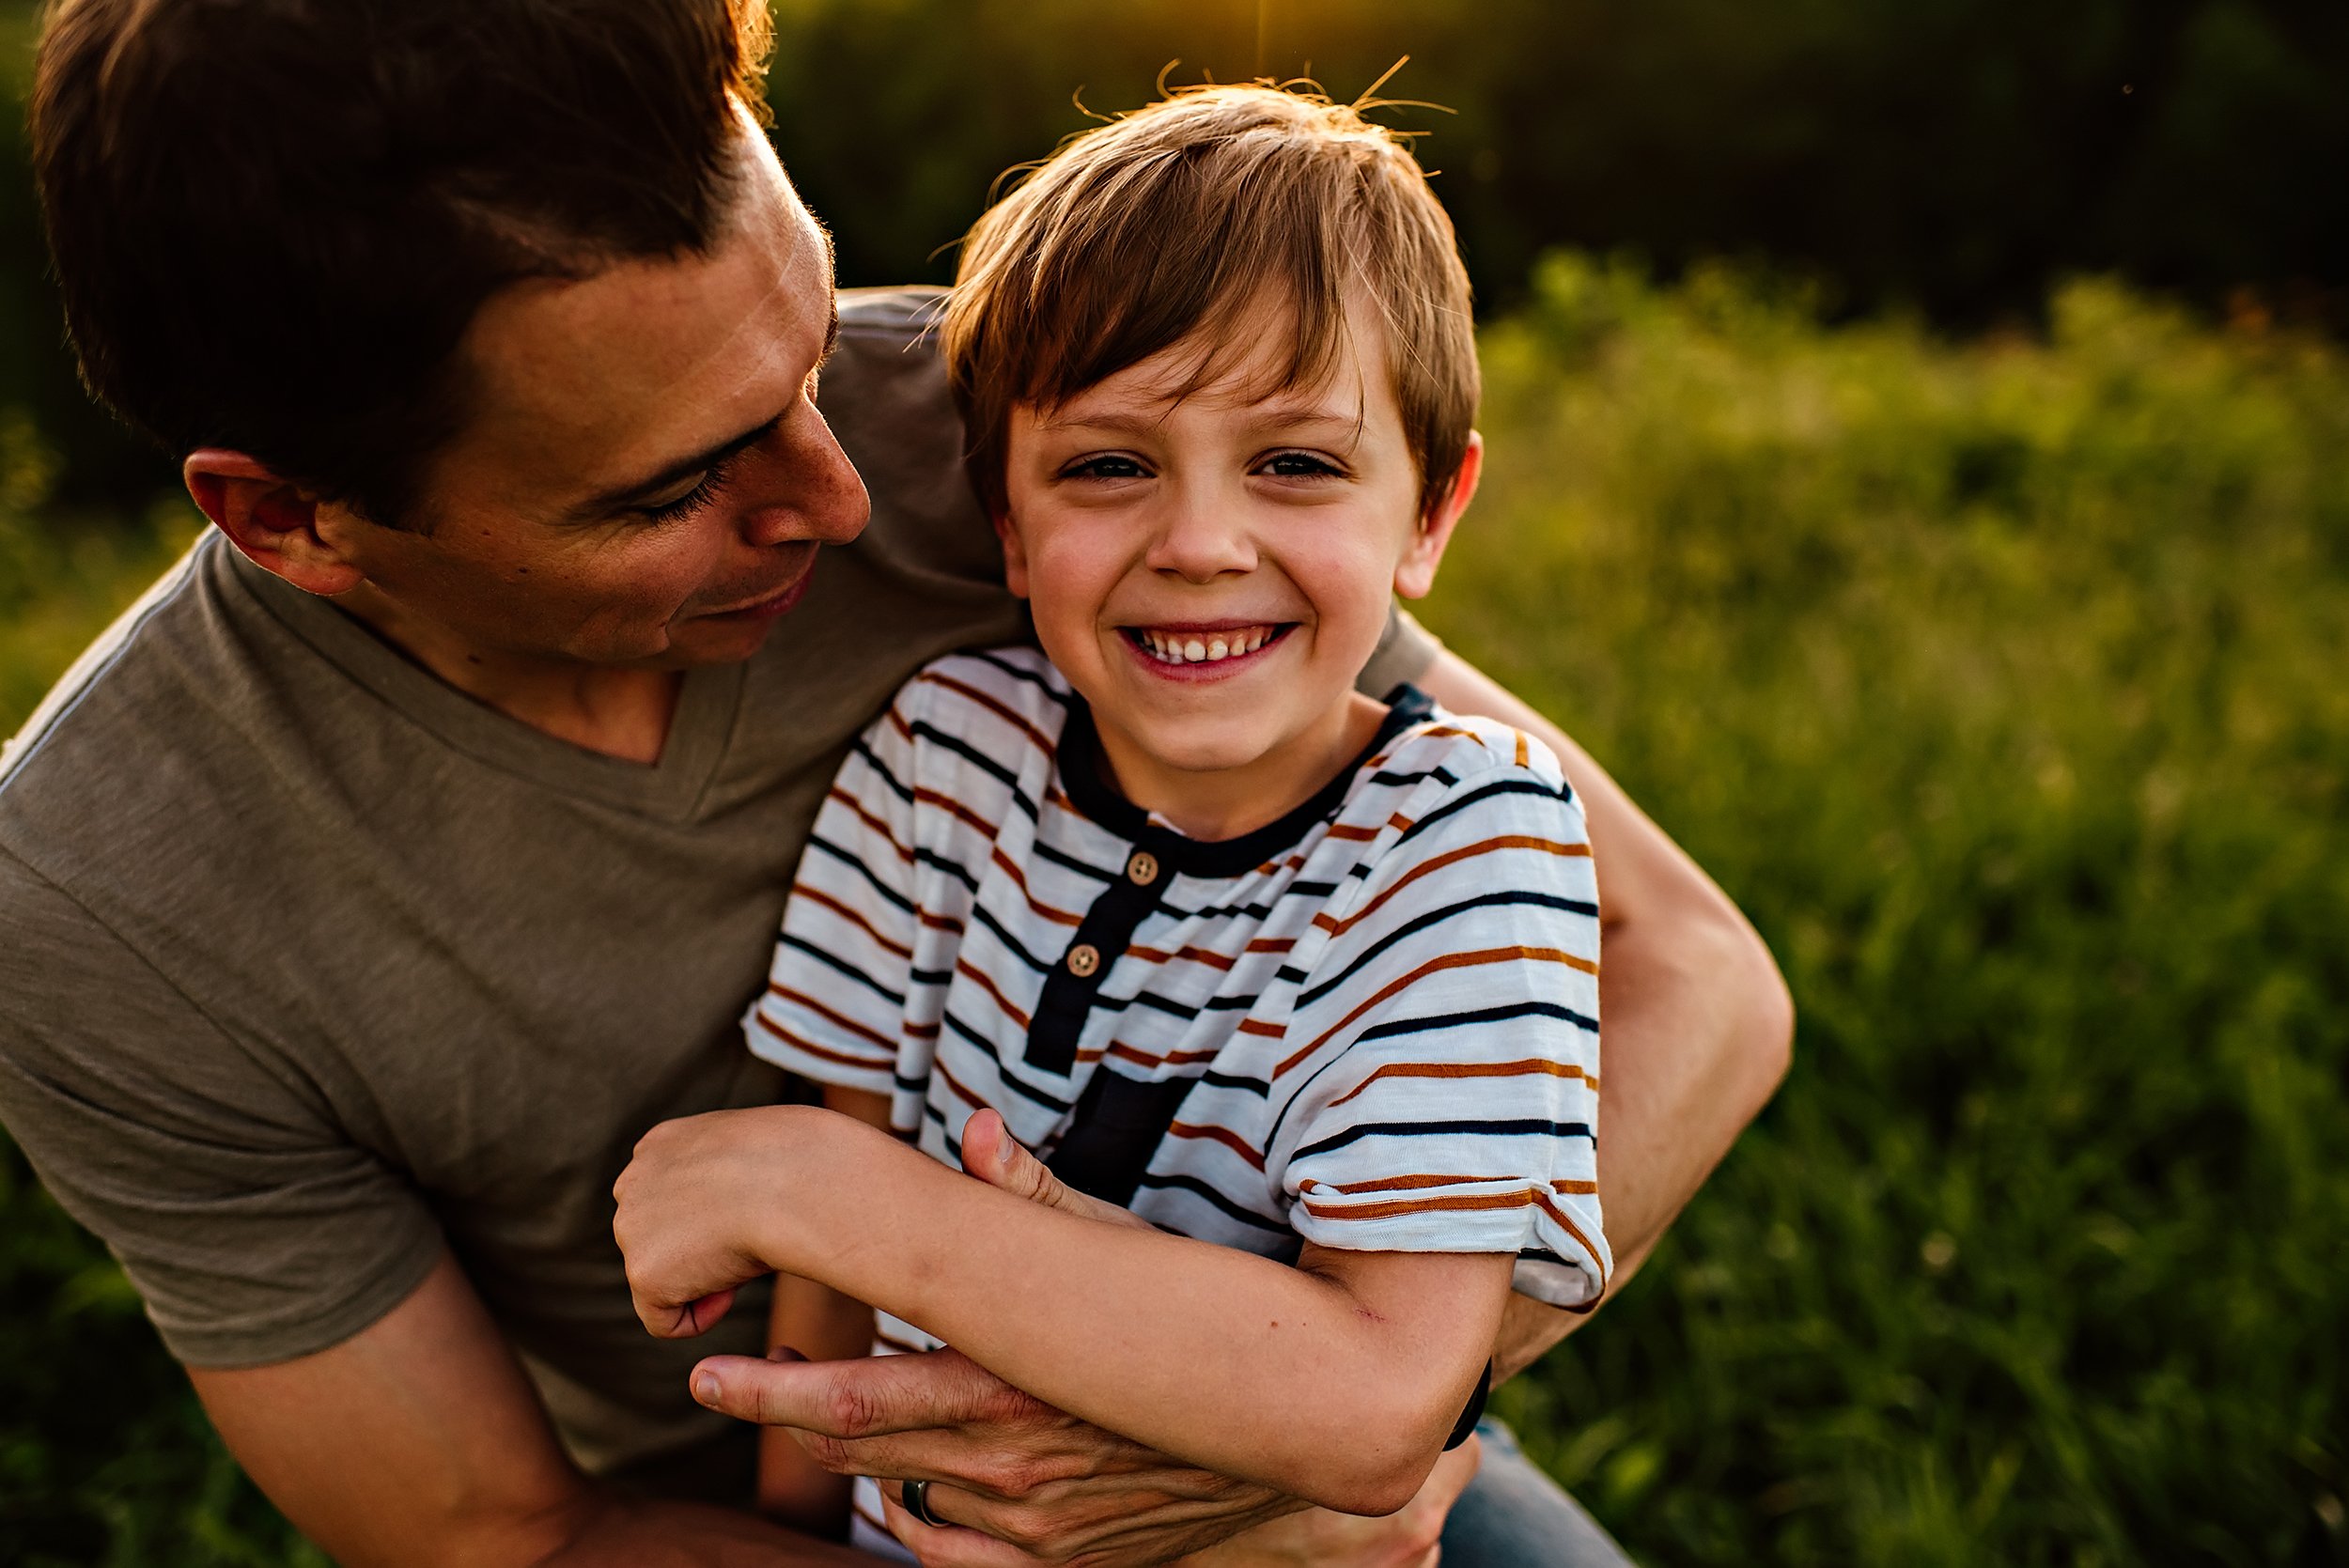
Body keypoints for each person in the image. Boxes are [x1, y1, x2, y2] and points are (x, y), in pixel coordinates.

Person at [0, 1, 1791, 1564]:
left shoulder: (1024, 425)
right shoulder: (99, 906)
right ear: (290, 517)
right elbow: (505, 1532)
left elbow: (1693, 975)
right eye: (669, 488)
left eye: (802, 354)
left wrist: (1269, 1438)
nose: (852, 493)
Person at [610, 85, 1613, 1562]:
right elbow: (828, 1304)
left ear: (1430, 512)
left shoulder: (1467, 836)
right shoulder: (941, 757)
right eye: (1107, 465)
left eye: (1296, 463)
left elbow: (1377, 1397)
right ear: (1006, 526)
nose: (1201, 543)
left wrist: (825, 1199)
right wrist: (808, 1530)